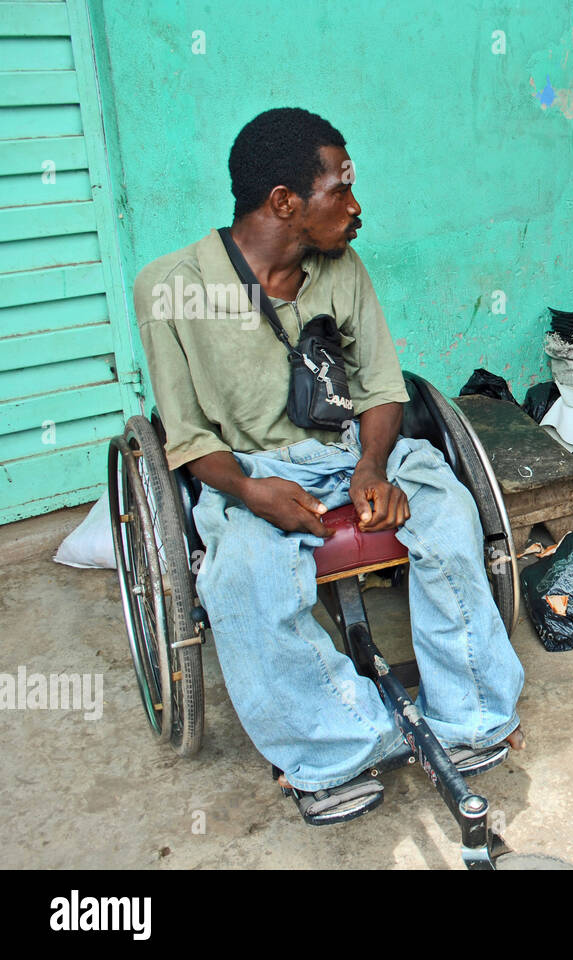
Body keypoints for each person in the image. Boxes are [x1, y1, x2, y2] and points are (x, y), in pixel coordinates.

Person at [133, 108, 525, 824]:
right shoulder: (169, 287)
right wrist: (251, 490)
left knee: (446, 510)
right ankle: (332, 748)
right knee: (244, 571)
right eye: (340, 189)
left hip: (348, 449)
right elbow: (184, 438)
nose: (355, 206)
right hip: (244, 466)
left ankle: (472, 717)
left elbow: (380, 387)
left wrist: (373, 468)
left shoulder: (342, 269)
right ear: (284, 202)